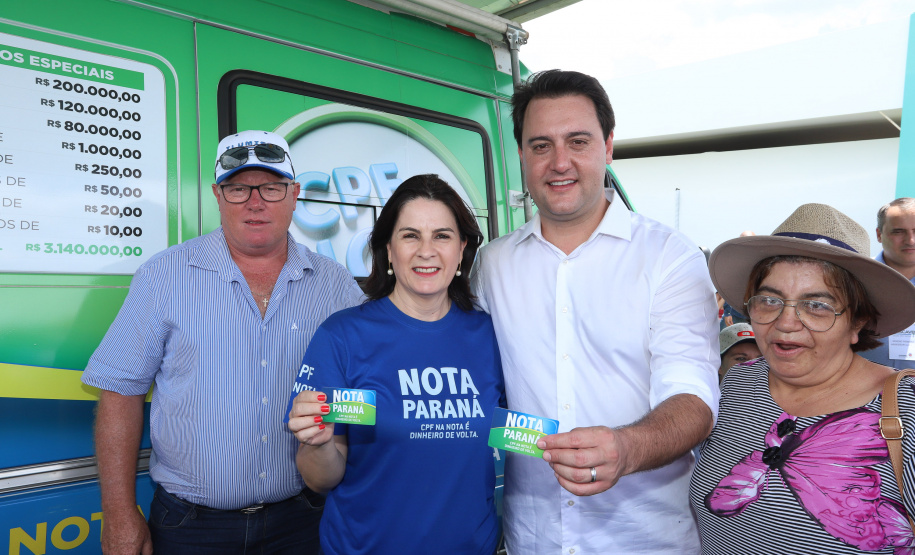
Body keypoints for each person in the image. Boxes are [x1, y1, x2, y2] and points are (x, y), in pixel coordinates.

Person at [471, 69, 720, 553]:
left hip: (645, 541)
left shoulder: (669, 257)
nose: (559, 162)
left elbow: (693, 400)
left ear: (607, 147)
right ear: (521, 155)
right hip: (534, 539)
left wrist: (626, 448)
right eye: (541, 145)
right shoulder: (492, 264)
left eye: (578, 142)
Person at [82, 130, 363, 555]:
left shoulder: (335, 284)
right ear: (217, 195)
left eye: (271, 187)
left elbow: (371, 378)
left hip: (303, 520)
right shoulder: (163, 276)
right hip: (191, 528)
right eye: (238, 188)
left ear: (294, 195)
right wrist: (119, 512)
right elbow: (120, 393)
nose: (255, 202)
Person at [286, 174, 504, 555]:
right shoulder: (342, 337)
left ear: (461, 249)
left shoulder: (491, 335)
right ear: (388, 249)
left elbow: (509, 432)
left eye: (442, 236)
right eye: (410, 236)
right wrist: (317, 445)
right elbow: (320, 480)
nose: (426, 251)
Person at [691, 203, 915, 554]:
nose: (785, 323)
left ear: (857, 322)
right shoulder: (737, 383)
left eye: (817, 305)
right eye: (769, 300)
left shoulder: (907, 412)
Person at [861, 197, 915, 369]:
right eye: (898, 231)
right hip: (862, 383)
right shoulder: (855, 278)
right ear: (879, 234)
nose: (910, 240)